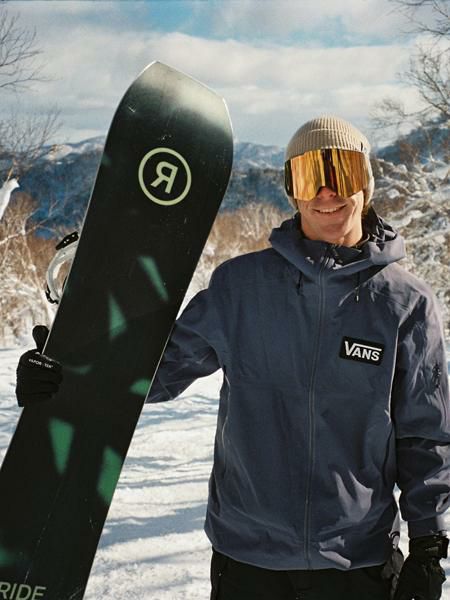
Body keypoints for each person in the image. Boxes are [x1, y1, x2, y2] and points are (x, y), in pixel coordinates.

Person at [16, 115, 450, 600]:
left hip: (358, 563)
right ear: (292, 190)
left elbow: (425, 434)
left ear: (365, 184)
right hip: (248, 561)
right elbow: (155, 374)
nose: (326, 192)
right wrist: (66, 369)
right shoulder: (240, 287)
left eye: (342, 173)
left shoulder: (406, 303)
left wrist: (428, 545)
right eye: (310, 176)